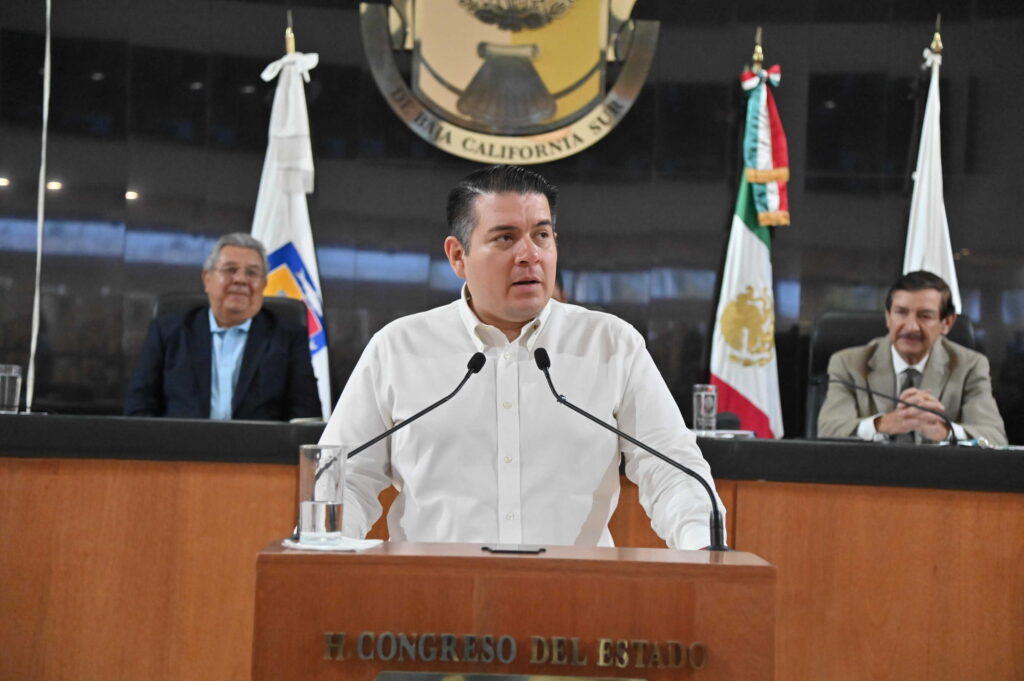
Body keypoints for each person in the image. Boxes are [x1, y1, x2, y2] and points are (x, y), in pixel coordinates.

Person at [320, 165, 723, 549]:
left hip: (579, 590)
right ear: (458, 256)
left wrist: (703, 545)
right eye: (505, 238)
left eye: (541, 235)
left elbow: (672, 470)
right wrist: (322, 546)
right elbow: (345, 479)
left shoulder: (611, 345)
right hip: (436, 591)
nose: (530, 254)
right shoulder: (399, 349)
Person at [124, 233, 321, 421]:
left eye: (252, 272)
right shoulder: (168, 332)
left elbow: (305, 415)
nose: (240, 279)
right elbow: (138, 408)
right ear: (207, 278)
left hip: (258, 445)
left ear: (264, 285)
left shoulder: (288, 337)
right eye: (230, 269)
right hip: (180, 444)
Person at [817, 270, 1007, 445]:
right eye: (901, 312)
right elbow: (828, 431)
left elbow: (995, 437)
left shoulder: (969, 365)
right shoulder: (849, 363)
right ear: (888, 317)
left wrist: (945, 431)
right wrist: (883, 424)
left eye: (925, 316)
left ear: (947, 323)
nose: (911, 327)